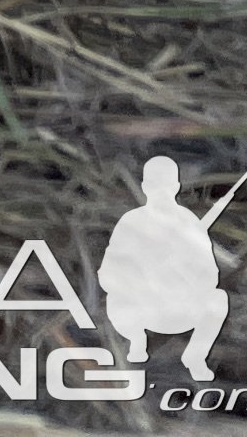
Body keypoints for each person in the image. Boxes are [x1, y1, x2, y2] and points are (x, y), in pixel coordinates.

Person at [100, 157, 234, 381]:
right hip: (138, 308)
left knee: (218, 300)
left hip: (177, 307)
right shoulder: (131, 222)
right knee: (115, 302)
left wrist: (183, 273)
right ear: (144, 188)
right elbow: (108, 273)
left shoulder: (189, 223)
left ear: (176, 187)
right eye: (154, 185)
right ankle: (136, 344)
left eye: (166, 185)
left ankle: (196, 356)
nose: (161, 192)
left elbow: (211, 275)